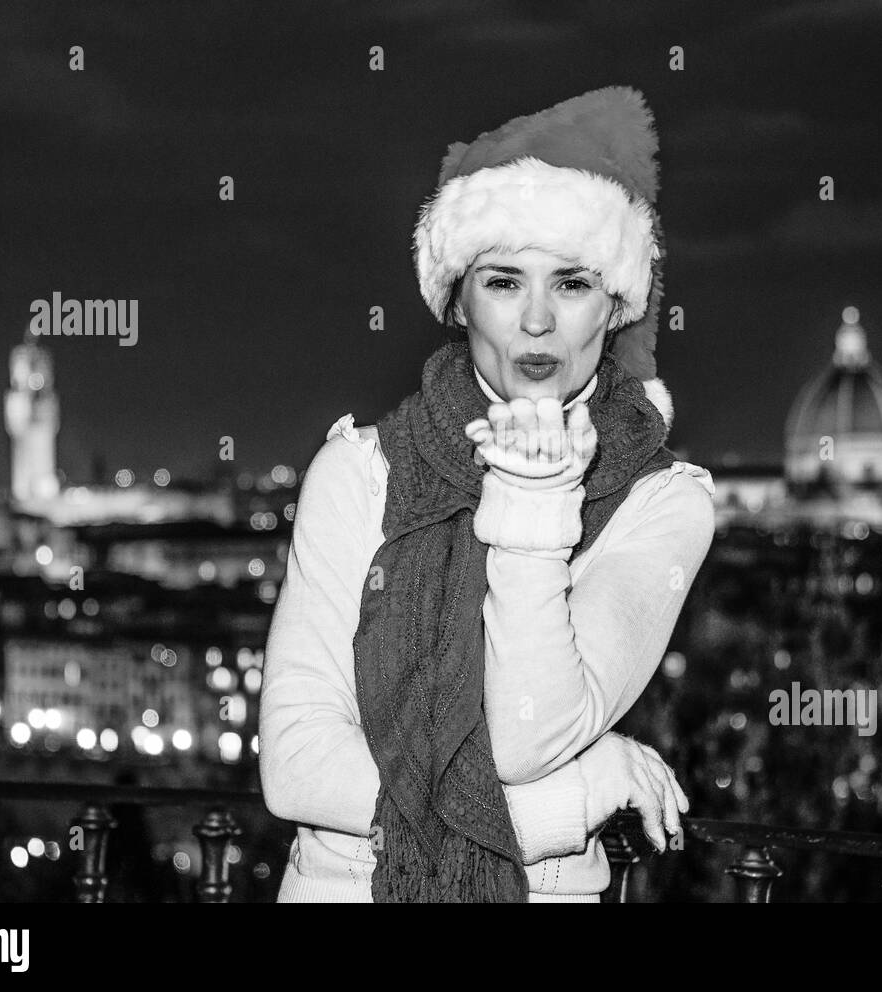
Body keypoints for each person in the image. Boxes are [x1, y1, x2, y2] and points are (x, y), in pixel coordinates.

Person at [259, 86, 716, 903]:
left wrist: (535, 512)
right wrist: (571, 801)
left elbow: (523, 736)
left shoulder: (666, 503)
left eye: (571, 283)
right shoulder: (358, 472)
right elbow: (294, 769)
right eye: (504, 282)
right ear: (457, 299)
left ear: (615, 305)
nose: (537, 322)